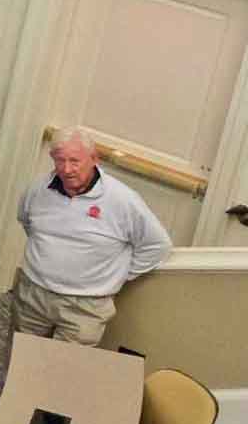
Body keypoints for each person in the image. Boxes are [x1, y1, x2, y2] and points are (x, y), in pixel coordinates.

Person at [14, 128, 172, 346]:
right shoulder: (37, 189)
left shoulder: (123, 200)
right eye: (60, 161)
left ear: (94, 159)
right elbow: (27, 222)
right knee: (20, 361)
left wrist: (116, 275)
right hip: (33, 294)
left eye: (75, 161)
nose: (67, 169)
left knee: (65, 370)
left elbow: (158, 245)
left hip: (85, 306)